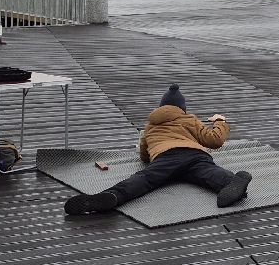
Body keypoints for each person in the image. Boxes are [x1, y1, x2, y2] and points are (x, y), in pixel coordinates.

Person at [65, 84, 251, 215]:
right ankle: (233, 182)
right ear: (182, 108)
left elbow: (144, 155)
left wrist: (150, 155)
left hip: (166, 157)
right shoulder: (189, 119)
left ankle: (113, 196)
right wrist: (220, 121)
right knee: (209, 173)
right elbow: (215, 140)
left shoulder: (150, 126)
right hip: (195, 155)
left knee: (143, 180)